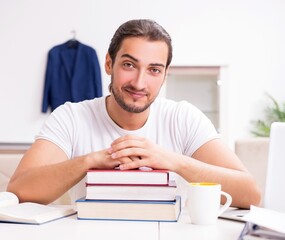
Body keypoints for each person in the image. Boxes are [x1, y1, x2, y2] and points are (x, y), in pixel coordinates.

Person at [7, 19, 261, 208]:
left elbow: (250, 194)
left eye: (154, 70)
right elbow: (19, 190)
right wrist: (91, 161)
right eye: (129, 65)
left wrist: (173, 160)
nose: (139, 83)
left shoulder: (183, 117)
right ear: (109, 64)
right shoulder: (71, 117)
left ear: (165, 74)